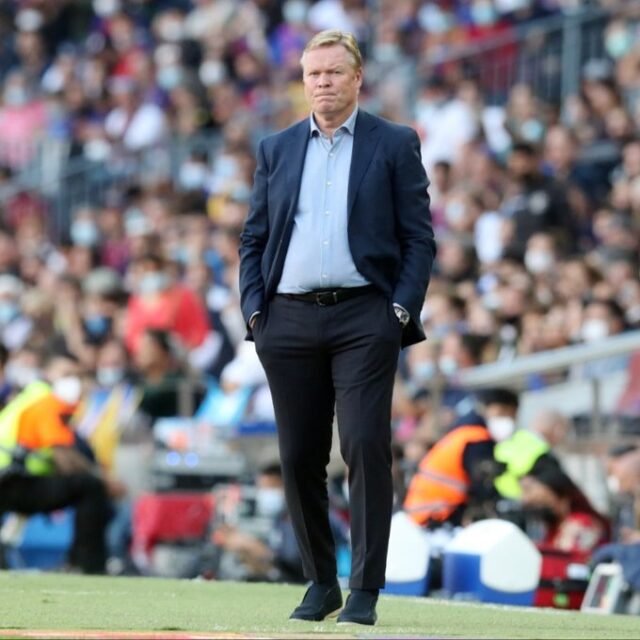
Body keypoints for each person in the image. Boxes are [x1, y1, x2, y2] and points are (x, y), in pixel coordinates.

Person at [239, 30, 435, 626]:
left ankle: (365, 589)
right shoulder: (276, 148)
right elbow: (254, 237)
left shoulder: (394, 142)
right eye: (313, 74)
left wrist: (398, 310)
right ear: (303, 81)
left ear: (357, 78)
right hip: (287, 319)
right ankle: (320, 582)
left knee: (364, 444)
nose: (322, 82)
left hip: (364, 316)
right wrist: (255, 312)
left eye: (333, 72)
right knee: (298, 454)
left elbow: (418, 237)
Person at [0, 351, 113, 574]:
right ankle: (86, 564)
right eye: (66, 374)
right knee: (91, 486)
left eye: (77, 375)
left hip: (12, 478)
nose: (73, 381)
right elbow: (64, 456)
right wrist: (104, 480)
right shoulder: (47, 401)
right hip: (12, 481)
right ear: (47, 372)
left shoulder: (30, 396)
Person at [403, 388, 519, 528]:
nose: (508, 420)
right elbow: (483, 484)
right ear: (485, 408)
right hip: (436, 516)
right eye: (502, 413)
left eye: (512, 416)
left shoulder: (463, 433)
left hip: (423, 513)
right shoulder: (476, 438)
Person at [494, 409, 570, 499]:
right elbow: (561, 486)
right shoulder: (543, 453)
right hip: (522, 503)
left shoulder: (512, 439)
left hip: (497, 499)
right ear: (558, 430)